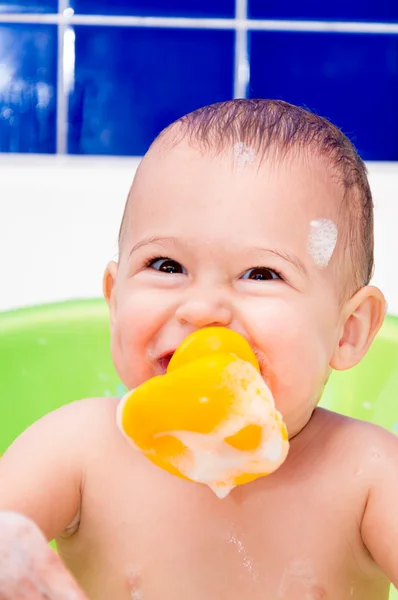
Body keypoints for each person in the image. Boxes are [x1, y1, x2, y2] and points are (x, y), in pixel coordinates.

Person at [1, 99, 397, 600]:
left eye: (261, 274)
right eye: (166, 265)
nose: (204, 308)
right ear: (115, 298)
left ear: (348, 332)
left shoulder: (370, 476)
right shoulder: (74, 451)